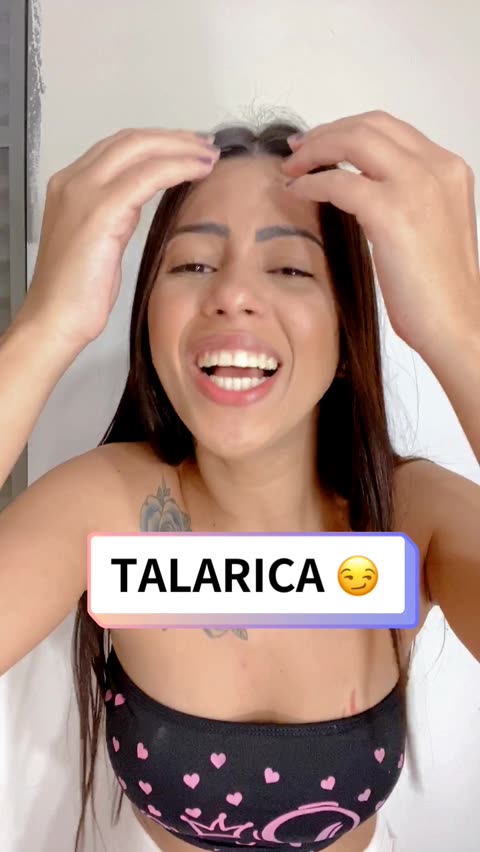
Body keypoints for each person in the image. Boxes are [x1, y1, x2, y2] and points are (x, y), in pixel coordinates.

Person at [0, 110, 479, 852]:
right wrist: (45, 328)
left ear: (347, 331)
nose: (232, 294)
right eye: (193, 264)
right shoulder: (103, 506)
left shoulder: (413, 517)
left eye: (290, 269)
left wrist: (460, 333)